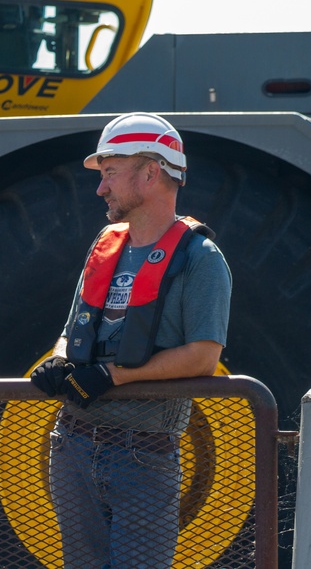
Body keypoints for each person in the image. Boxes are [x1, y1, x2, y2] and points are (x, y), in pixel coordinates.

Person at [30, 112, 232, 568]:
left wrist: (112, 376)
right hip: (70, 446)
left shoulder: (202, 259)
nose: (101, 188)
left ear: (150, 172)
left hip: (143, 455)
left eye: (110, 174)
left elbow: (203, 356)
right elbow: (70, 331)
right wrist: (60, 359)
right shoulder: (105, 245)